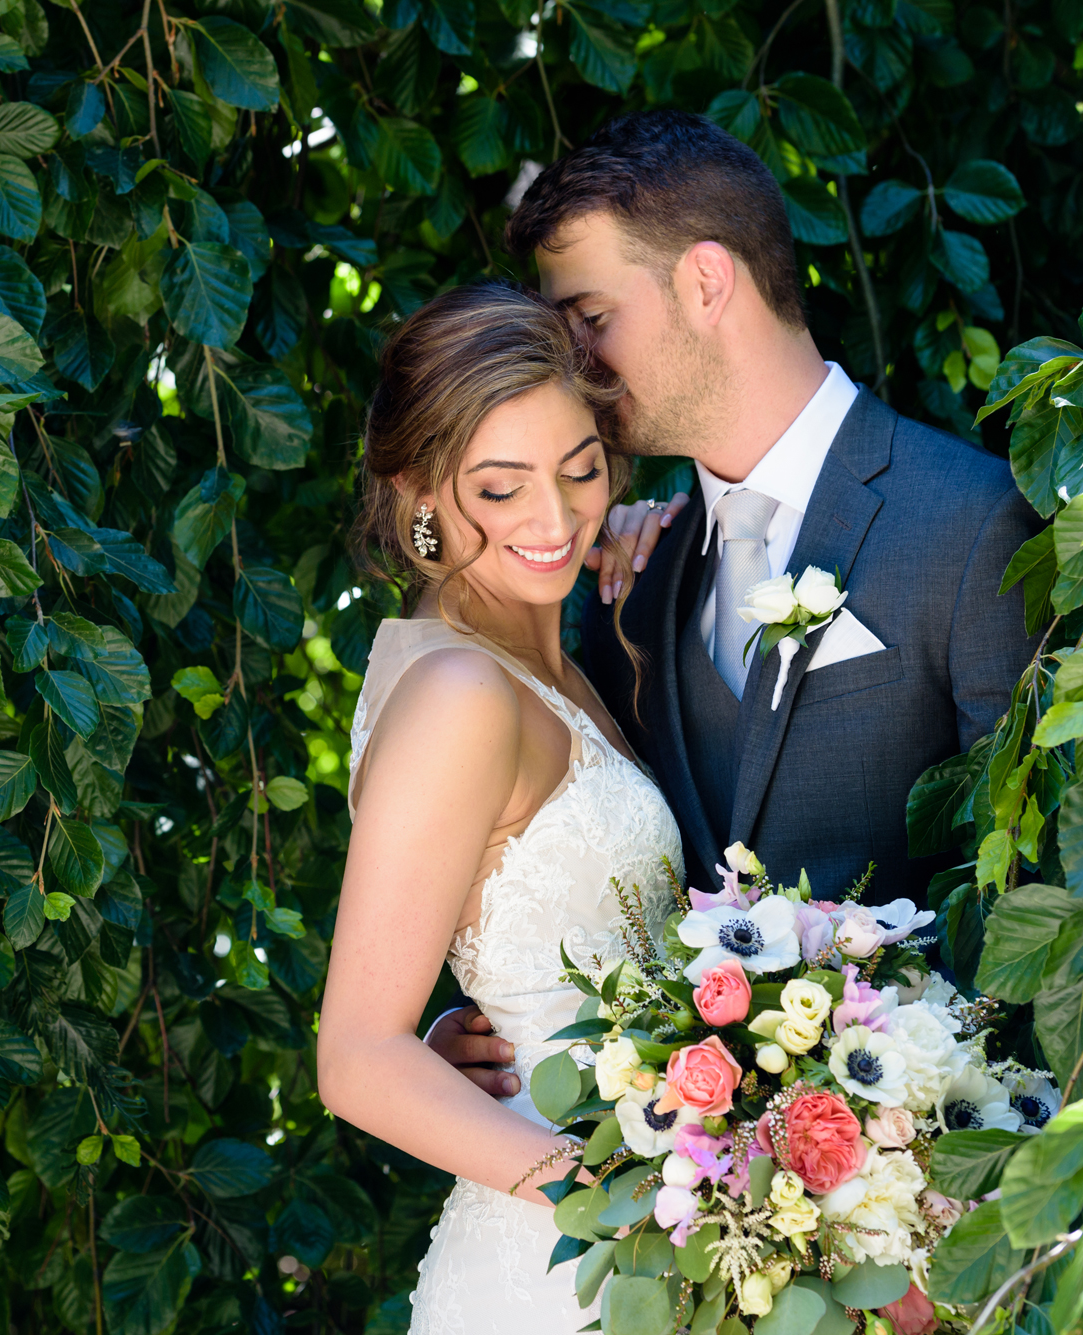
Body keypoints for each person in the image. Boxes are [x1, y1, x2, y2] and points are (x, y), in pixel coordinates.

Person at [430, 110, 1041, 1099]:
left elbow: (1022, 911)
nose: (573, 368)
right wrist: (491, 1023)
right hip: (693, 1215)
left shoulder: (970, 526)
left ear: (704, 282)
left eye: (589, 320)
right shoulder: (634, 577)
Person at [315, 281, 684, 1331]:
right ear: (420, 494)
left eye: (579, 471)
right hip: (564, 1257)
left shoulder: (533, 658)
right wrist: (626, 1205)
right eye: (500, 488)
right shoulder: (461, 693)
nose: (553, 518)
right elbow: (354, 1059)